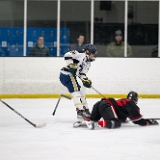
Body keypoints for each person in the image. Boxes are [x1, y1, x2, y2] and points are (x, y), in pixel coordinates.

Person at [60, 44, 97, 122]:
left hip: (71, 76)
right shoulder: (80, 54)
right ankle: (80, 112)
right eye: (92, 53)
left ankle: (85, 110)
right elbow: (67, 55)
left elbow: (81, 74)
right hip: (66, 74)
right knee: (76, 92)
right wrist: (71, 65)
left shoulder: (88, 63)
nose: (93, 56)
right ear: (87, 52)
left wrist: (86, 80)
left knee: (81, 91)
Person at [89, 91, 159, 129]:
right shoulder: (131, 103)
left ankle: (88, 121)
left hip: (100, 104)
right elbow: (136, 120)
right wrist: (147, 122)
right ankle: (96, 124)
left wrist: (123, 119)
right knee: (115, 123)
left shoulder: (123, 100)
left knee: (93, 119)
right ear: (135, 99)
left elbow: (118, 111)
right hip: (106, 105)